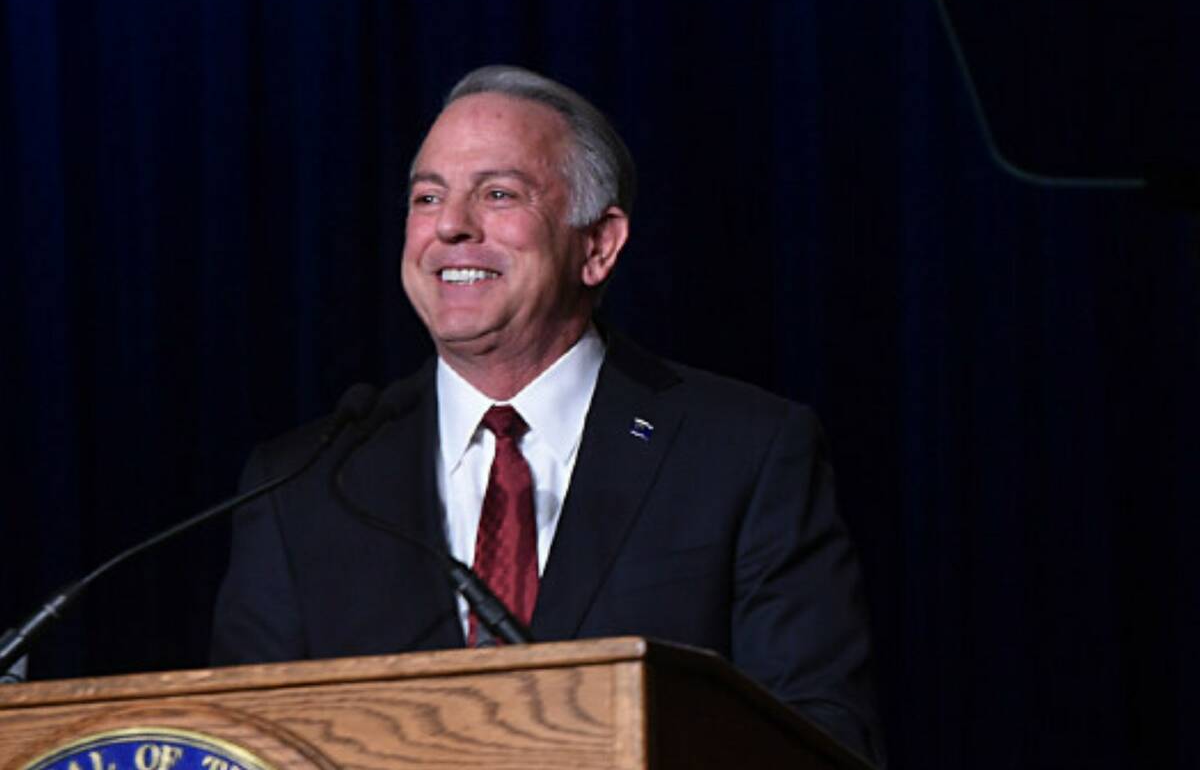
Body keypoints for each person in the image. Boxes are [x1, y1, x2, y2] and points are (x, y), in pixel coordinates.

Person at [212, 65, 884, 765]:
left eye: (498, 194)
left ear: (598, 245)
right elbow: (239, 745)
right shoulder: (304, 484)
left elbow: (824, 739)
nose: (450, 226)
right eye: (426, 196)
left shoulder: (744, 451)